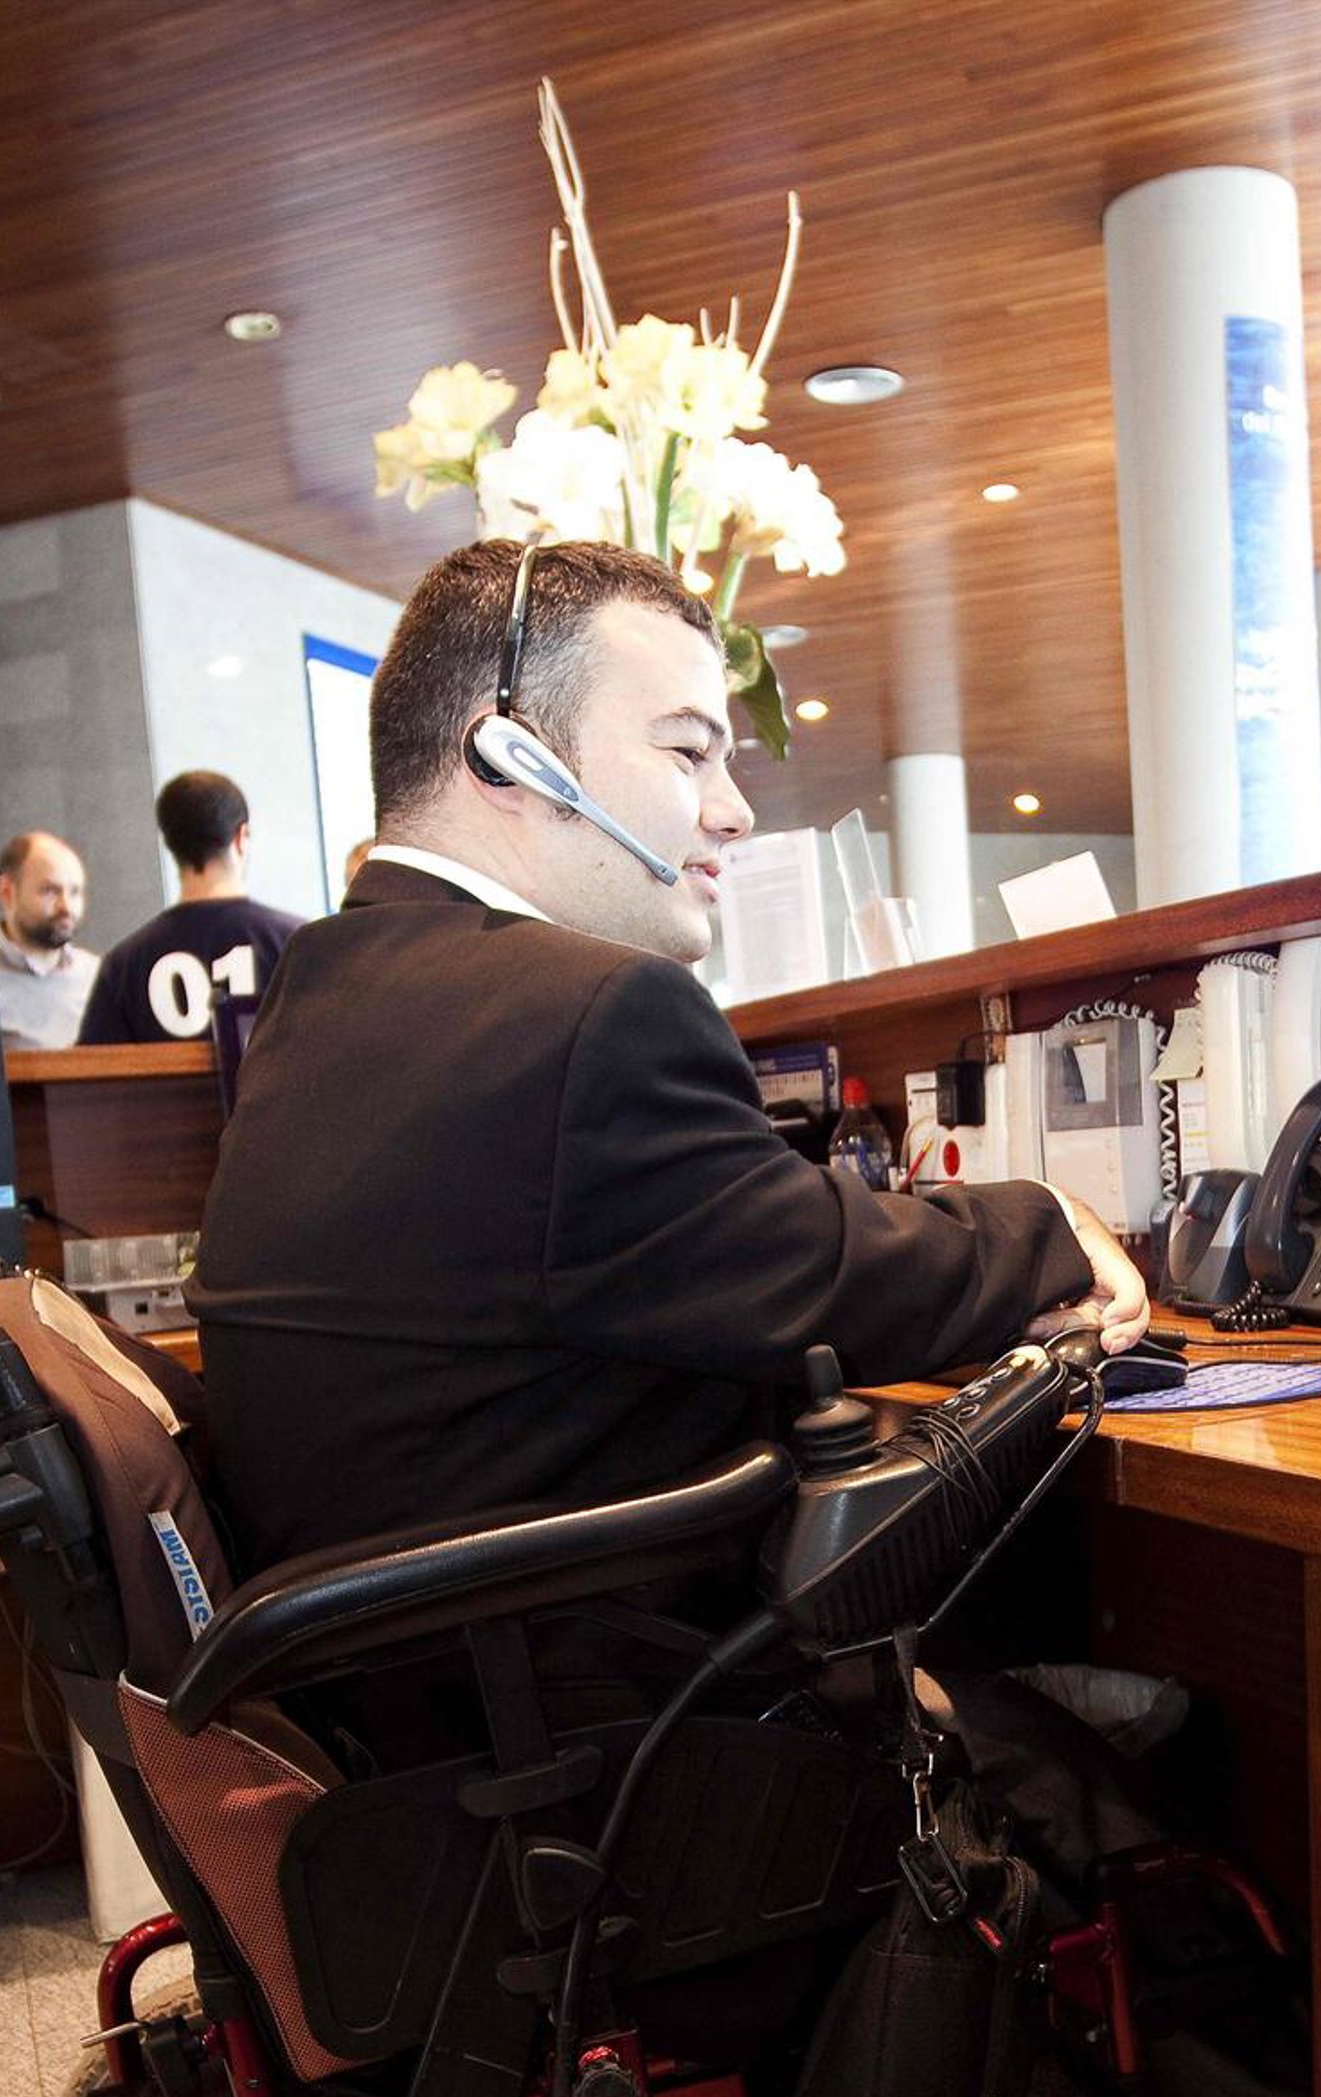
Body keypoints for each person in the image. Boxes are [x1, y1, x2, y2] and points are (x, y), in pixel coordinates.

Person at [190, 540, 1145, 1571]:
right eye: (689, 752)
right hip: (591, 1655)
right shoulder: (583, 1012)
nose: (734, 809)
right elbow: (822, 1273)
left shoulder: (325, 985)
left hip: (395, 1646)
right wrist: (1049, 1224)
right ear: (509, 759)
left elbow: (712, 1240)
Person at [77, 772, 303, 1045]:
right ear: (240, 837)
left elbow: (96, 1064)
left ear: (170, 843)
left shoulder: (124, 965)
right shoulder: (299, 942)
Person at [0, 831, 99, 1049]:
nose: (66, 907)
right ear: (6, 892)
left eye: (75, 892)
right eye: (50, 891)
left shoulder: (98, 976)